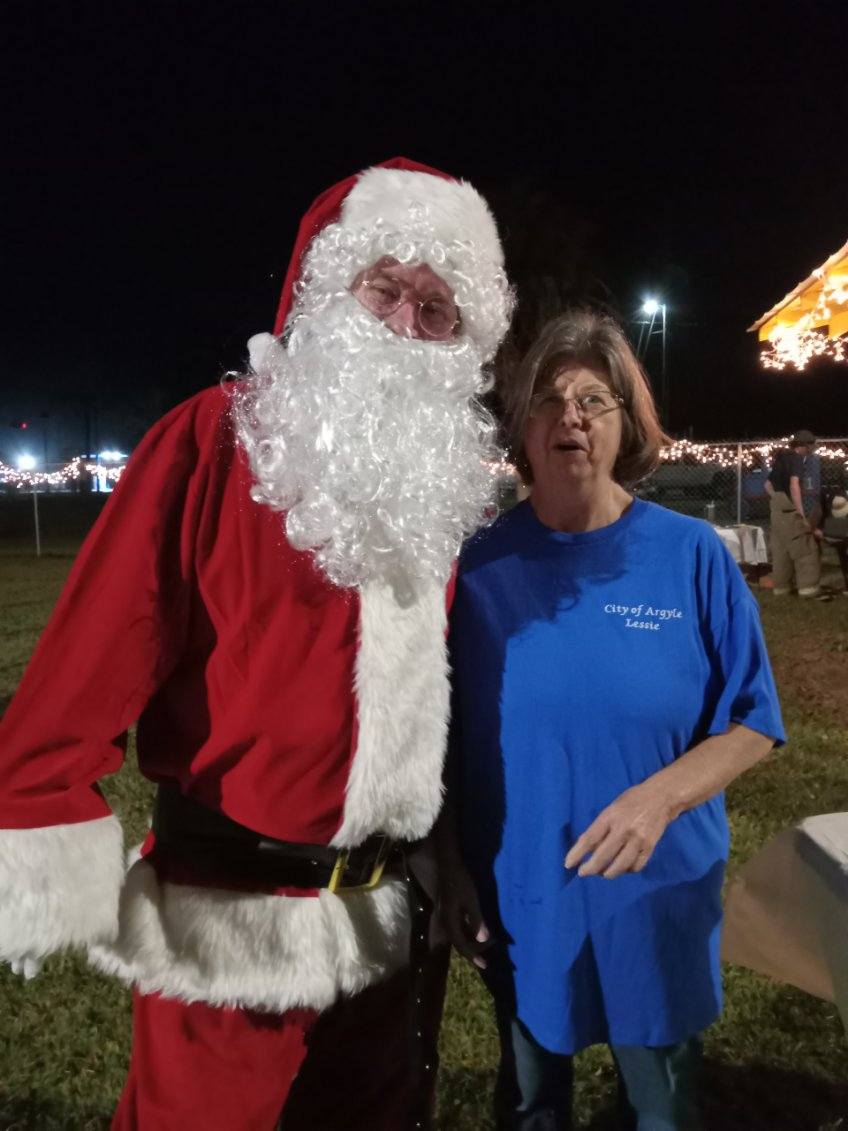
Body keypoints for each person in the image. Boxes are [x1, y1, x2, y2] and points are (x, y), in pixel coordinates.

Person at [0, 157, 512, 1130]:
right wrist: (31, 804)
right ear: (326, 293)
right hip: (226, 918)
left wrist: (446, 856)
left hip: (385, 922)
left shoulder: (440, 489)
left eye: (437, 311)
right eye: (385, 291)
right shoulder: (212, 439)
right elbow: (104, 636)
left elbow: (431, 697)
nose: (406, 327)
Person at [437, 310, 785, 1130]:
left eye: (596, 398)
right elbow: (436, 741)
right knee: (530, 1103)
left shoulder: (691, 555)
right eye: (550, 399)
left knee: (661, 1105)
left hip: (654, 893)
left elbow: (752, 721)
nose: (574, 417)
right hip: (523, 893)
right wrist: (447, 867)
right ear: (521, 425)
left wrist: (656, 799)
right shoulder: (478, 567)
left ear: (628, 421)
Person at [765, 429, 822, 597]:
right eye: (811, 446)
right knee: (806, 547)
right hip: (789, 511)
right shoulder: (797, 459)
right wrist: (799, 513)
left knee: (781, 549)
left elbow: (767, 485)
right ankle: (808, 588)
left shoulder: (782, 456)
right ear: (804, 446)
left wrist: (777, 499)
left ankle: (781, 588)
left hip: (776, 511)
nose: (812, 450)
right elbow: (794, 484)